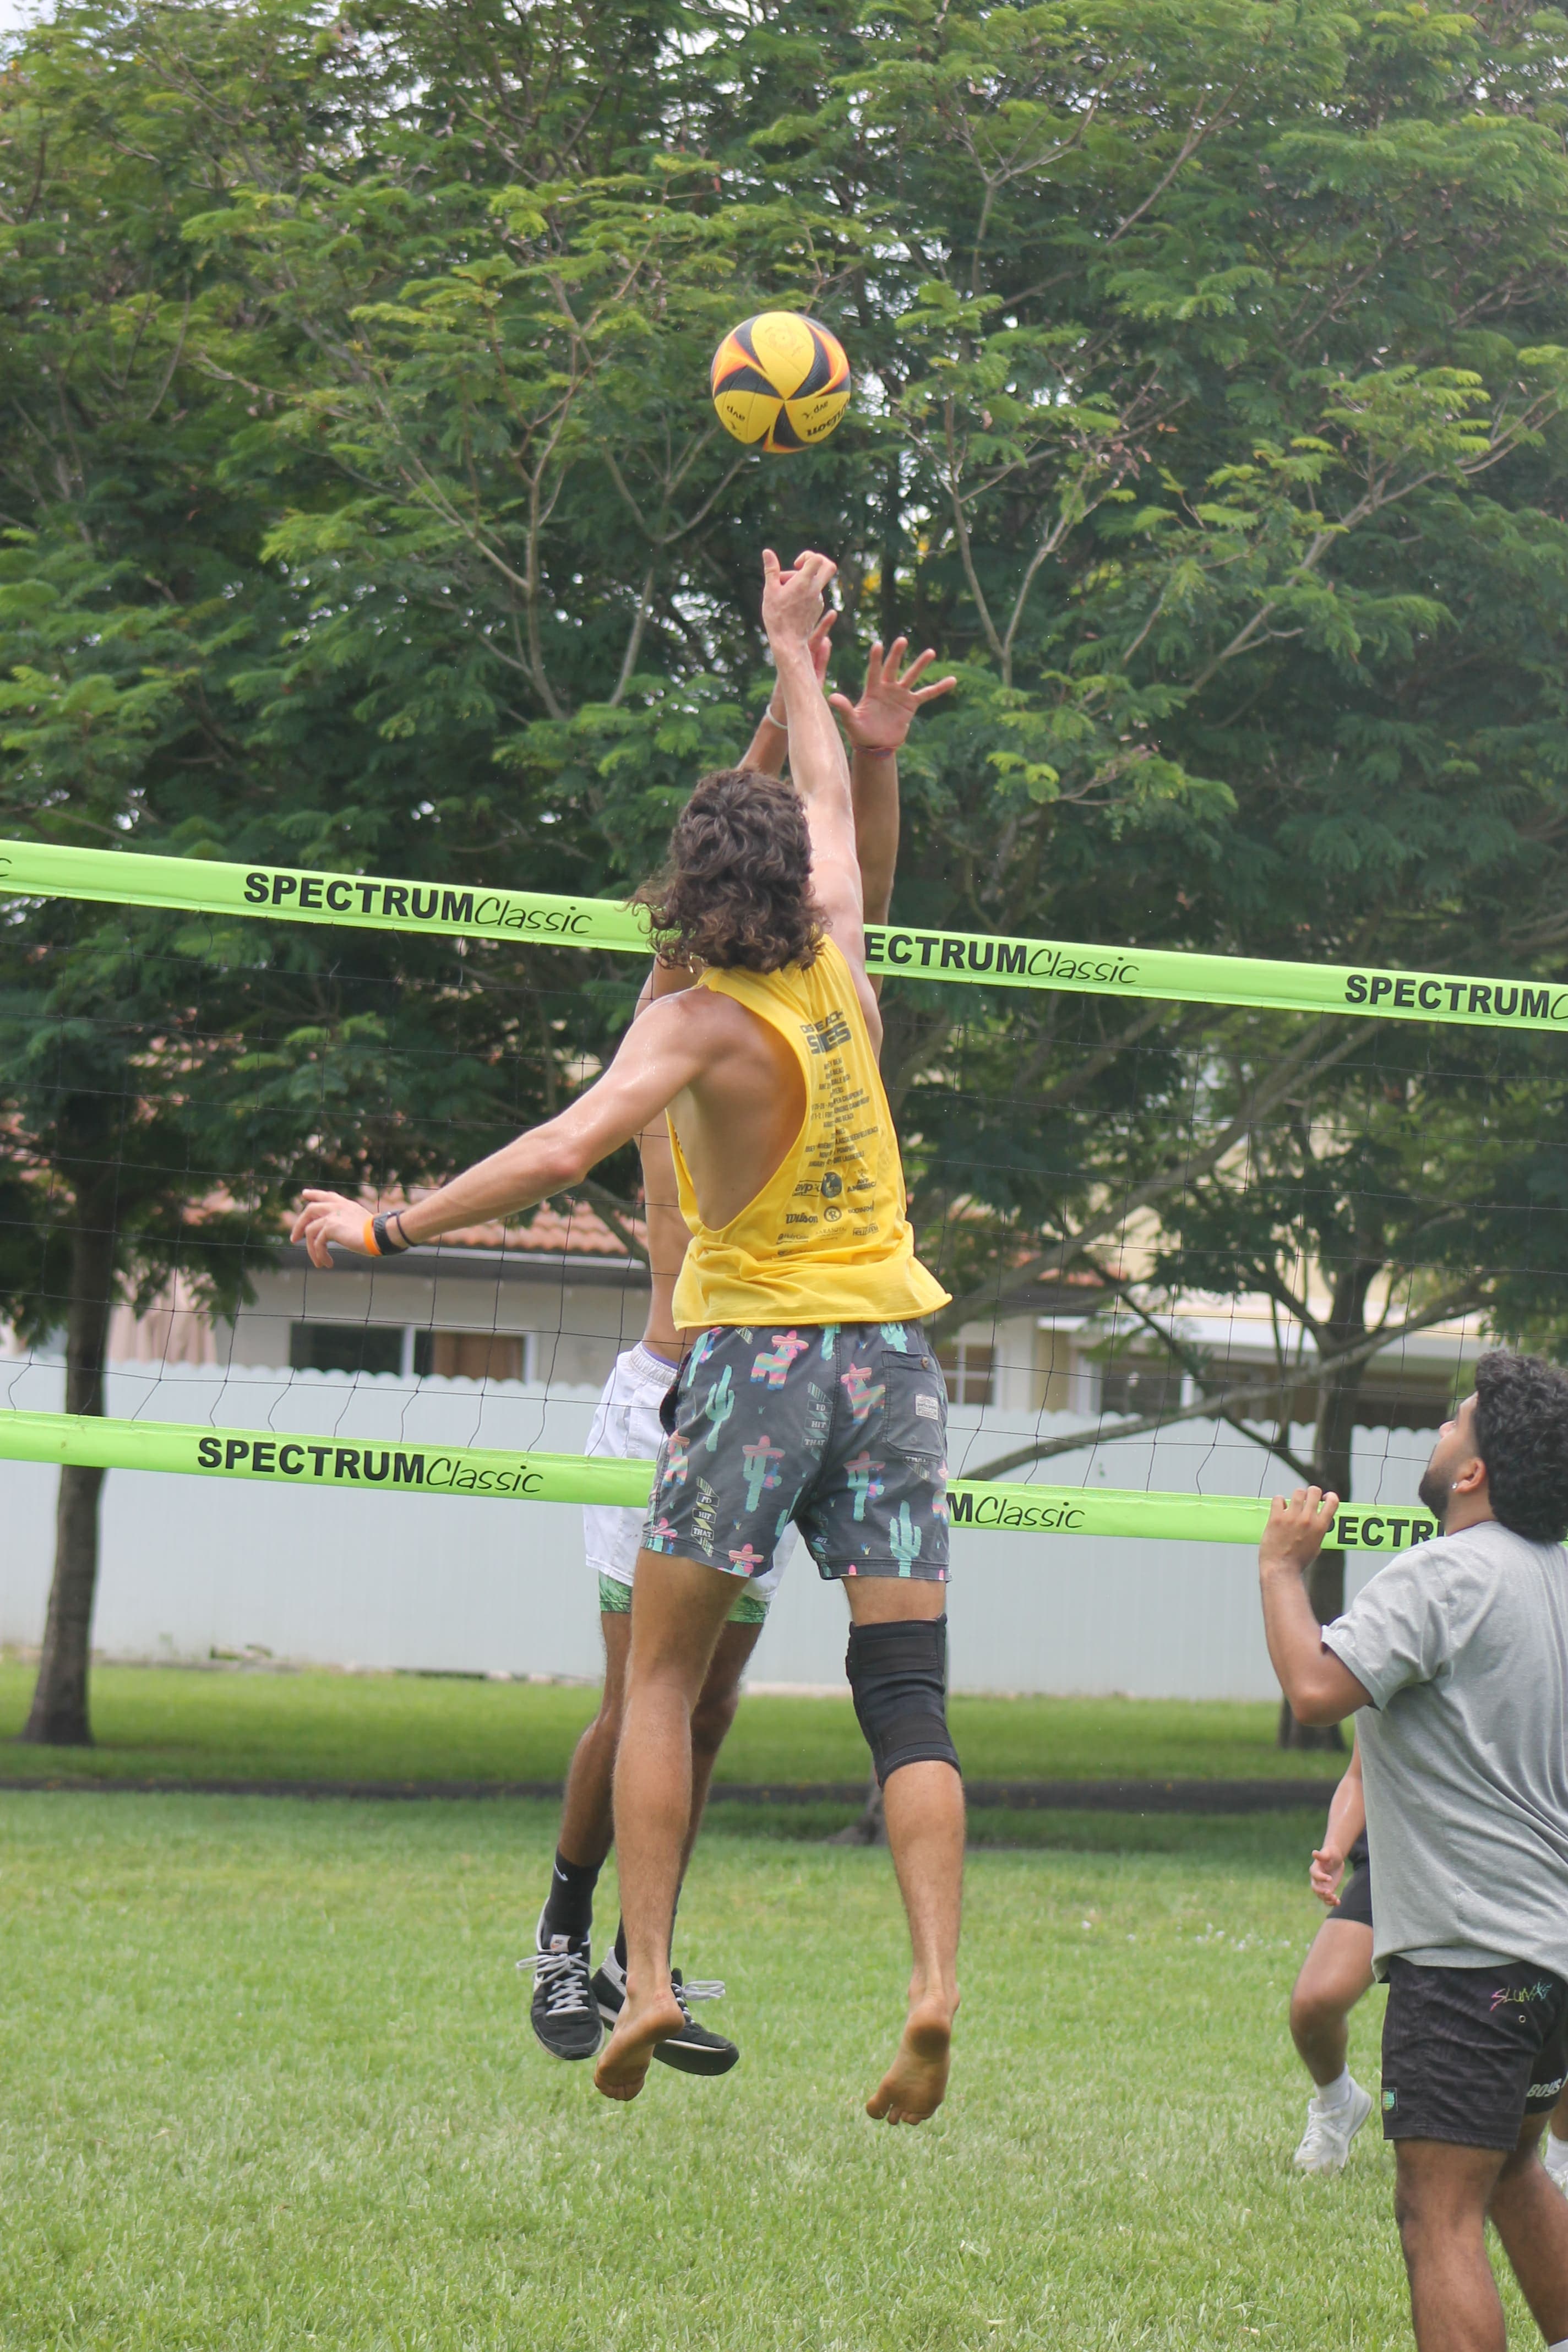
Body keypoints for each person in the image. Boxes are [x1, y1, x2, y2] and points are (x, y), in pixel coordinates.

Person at [292, 547, 962, 2122]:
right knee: (909, 1698)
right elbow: (825, 817)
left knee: (654, 1694)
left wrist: (388, 1227)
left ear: (682, 901)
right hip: (897, 1359)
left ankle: (643, 1974)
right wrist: (809, 673)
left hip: (755, 1368)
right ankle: (931, 1988)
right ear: (801, 886)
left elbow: (551, 1153)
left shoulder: (687, 1020)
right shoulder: (845, 972)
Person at [525, 623, 952, 2076]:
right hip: (671, 1391)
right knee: (633, 1697)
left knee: (699, 1707)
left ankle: (657, 1963)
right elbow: (797, 865)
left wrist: (845, 741)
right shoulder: (674, 1026)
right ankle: (566, 1936)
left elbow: (845, 879)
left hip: (762, 1381)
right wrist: (787, 696)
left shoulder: (774, 1002)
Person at [1257, 1352, 1568, 2352]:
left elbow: (1312, 1688)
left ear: (1472, 1472)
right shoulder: (1553, 1579)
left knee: (1435, 2212)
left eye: (1454, 1422)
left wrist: (1278, 1567)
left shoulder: (1442, 1572)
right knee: (1515, 2168)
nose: (1438, 1434)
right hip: (1549, 1953)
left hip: (1466, 1959)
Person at [1289, 1735, 1376, 2173]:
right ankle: (1338, 2105)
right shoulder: (1396, 1666)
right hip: (1397, 1863)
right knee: (1313, 2006)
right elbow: (1361, 1774)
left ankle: (1561, 2154)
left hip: (1506, 1858)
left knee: (1552, 2002)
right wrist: (1336, 1847)